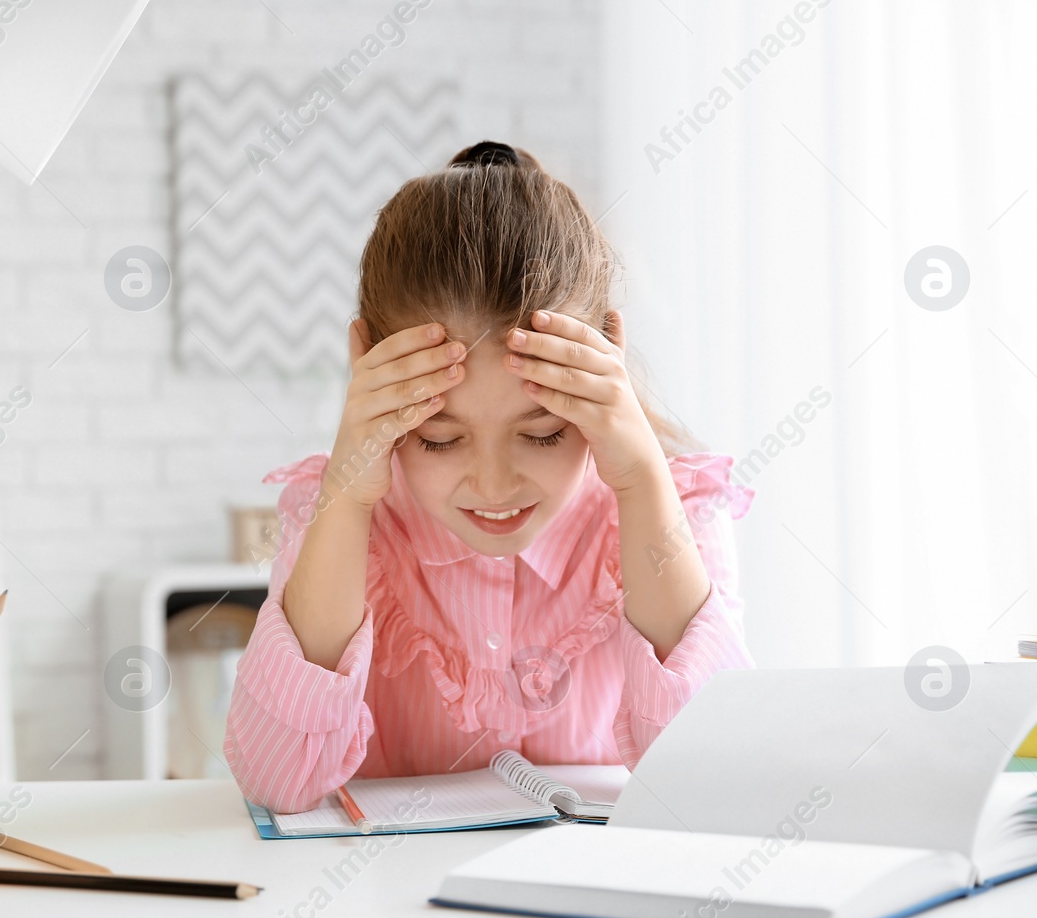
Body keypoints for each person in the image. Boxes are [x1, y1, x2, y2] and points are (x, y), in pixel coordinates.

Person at [224, 141, 755, 813]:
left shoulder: (680, 509)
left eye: (543, 433)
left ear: (606, 366)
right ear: (367, 369)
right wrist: (349, 490)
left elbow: (714, 782)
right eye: (439, 438)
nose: (495, 484)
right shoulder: (338, 517)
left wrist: (643, 480)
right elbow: (279, 781)